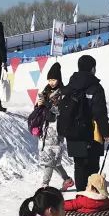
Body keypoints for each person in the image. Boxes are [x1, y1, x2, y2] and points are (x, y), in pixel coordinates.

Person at [60, 55, 109, 191]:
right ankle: (92, 200)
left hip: (72, 132)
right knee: (93, 167)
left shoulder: (70, 87)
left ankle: (81, 198)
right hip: (91, 133)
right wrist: (106, 132)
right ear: (93, 68)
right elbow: (100, 113)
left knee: (79, 166)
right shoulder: (96, 88)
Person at [34, 62, 74, 191]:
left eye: (54, 79)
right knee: (52, 160)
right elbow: (38, 110)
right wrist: (39, 105)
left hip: (57, 129)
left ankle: (45, 186)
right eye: (49, 79)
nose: (51, 82)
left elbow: (60, 111)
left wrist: (47, 104)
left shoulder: (63, 93)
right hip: (45, 130)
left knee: (50, 160)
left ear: (59, 79)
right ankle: (67, 180)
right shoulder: (45, 91)